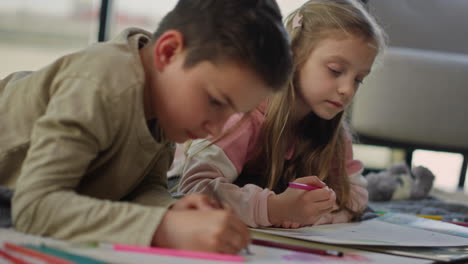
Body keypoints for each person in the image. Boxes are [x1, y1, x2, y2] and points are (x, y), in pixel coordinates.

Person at [0, 0, 293, 253]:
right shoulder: (102, 84)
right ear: (168, 52)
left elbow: (143, 185)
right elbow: (34, 206)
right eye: (215, 101)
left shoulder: (167, 107)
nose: (216, 129)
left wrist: (171, 209)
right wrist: (163, 228)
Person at [175, 0, 386, 228]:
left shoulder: (334, 134)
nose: (348, 90)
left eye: (358, 80)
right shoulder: (245, 116)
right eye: (335, 70)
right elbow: (192, 189)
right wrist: (275, 209)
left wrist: (320, 214)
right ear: (294, 56)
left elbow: (355, 194)